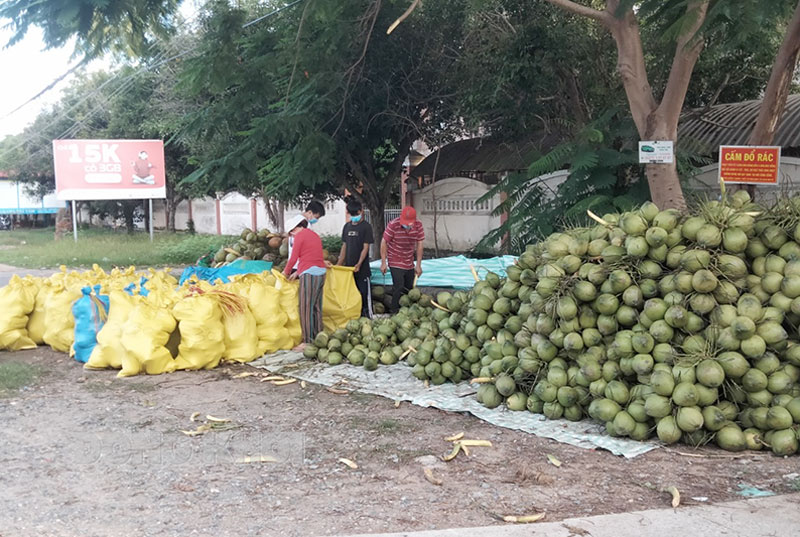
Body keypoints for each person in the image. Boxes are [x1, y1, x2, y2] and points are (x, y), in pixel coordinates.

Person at [283, 214, 327, 347]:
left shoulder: (300, 236)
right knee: (316, 307)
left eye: (291, 233)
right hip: (321, 273)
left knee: (305, 307)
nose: (292, 236)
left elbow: (293, 258)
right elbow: (312, 256)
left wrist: (285, 272)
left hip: (309, 275)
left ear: (295, 229)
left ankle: (307, 341)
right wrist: (298, 272)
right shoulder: (314, 235)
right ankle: (319, 338)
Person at [380, 206, 424, 313]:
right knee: (398, 286)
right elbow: (384, 242)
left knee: (408, 288)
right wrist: (383, 262)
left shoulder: (418, 225)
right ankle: (394, 311)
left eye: (410, 223)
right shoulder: (393, 225)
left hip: (409, 260)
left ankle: (407, 311)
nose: (407, 225)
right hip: (395, 258)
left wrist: (418, 265)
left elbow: (420, 244)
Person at [337, 198, 374, 318]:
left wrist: (359, 264)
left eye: (356, 214)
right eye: (352, 214)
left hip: (362, 269)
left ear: (361, 211)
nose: (354, 216)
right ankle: (354, 316)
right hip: (349, 269)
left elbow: (365, 247)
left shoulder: (366, 227)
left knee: (363, 294)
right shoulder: (347, 227)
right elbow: (344, 246)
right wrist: (339, 263)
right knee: (351, 294)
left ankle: (367, 315)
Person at [287, 200, 326, 274]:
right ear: (310, 212)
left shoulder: (295, 220)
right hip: (302, 266)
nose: (316, 220)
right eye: (316, 217)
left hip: (293, 263)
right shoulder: (304, 225)